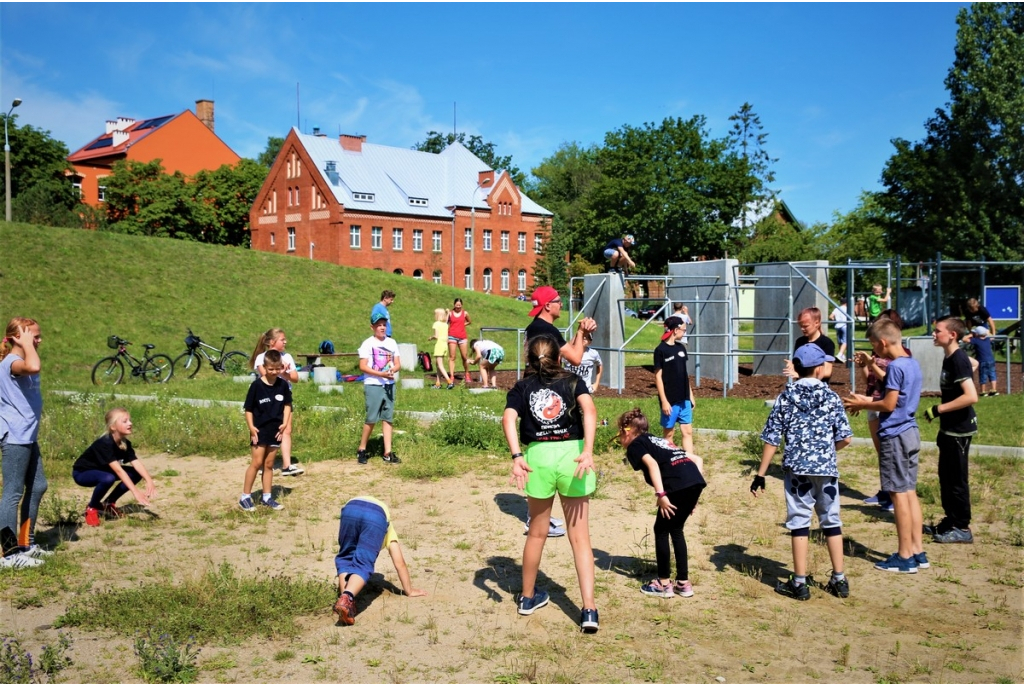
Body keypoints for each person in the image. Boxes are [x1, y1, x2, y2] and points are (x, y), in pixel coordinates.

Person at [503, 335, 600, 633]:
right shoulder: (572, 381)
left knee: (537, 533)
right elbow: (590, 410)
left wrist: (517, 455)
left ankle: (528, 598)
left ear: (529, 360)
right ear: (559, 357)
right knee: (580, 538)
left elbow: (508, 417)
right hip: (572, 458)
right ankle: (588, 610)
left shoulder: (522, 387)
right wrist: (587, 451)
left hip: (538, 460)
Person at [751, 345, 854, 600]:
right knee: (831, 520)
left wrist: (760, 474)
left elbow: (772, 439)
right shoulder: (832, 397)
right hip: (826, 469)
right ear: (820, 368)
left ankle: (799, 582)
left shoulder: (786, 398)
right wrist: (826, 453)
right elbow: (846, 438)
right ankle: (839, 579)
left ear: (795, 368)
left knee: (799, 521)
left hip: (797, 470)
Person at [843, 319, 926, 574]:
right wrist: (866, 399)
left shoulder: (896, 367)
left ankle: (904, 557)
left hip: (895, 435)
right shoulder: (911, 364)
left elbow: (888, 405)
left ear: (881, 342)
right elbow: (898, 401)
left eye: (873, 346)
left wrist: (863, 405)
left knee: (897, 494)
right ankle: (917, 551)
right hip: (911, 431)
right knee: (909, 492)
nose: (874, 352)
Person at [616, 408, 706, 599]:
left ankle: (663, 584)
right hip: (694, 481)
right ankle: (683, 583)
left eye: (619, 435)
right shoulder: (660, 440)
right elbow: (698, 460)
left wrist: (661, 494)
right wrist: (693, 498)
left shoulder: (636, 445)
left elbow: (653, 465)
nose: (620, 441)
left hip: (676, 486)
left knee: (661, 530)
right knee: (676, 530)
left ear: (627, 431)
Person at [922, 316, 979, 544]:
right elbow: (972, 364)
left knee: (957, 479)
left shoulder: (957, 359)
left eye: (938, 331)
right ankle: (951, 519)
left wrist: (938, 408)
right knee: (945, 477)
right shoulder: (953, 357)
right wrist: (970, 364)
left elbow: (971, 396)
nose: (934, 335)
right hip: (948, 428)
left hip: (960, 429)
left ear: (952, 335)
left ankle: (962, 528)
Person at [0, 318, 49, 569]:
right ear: (18, 338)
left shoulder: (19, 361)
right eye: (35, 337)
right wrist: (27, 344)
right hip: (15, 437)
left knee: (38, 485)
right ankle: (7, 554)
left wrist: (27, 342)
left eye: (38, 337)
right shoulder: (12, 363)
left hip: (27, 435)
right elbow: (33, 366)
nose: (39, 341)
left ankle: (25, 544)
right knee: (13, 493)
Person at [332, 495, 426, 625]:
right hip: (375, 515)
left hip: (351, 507)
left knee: (346, 558)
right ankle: (347, 598)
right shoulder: (388, 528)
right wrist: (409, 590)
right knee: (363, 563)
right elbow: (400, 563)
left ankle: (345, 602)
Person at [856, 309, 910, 512]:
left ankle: (893, 497)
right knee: (882, 453)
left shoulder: (902, 357)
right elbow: (869, 380)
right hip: (872, 400)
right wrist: (864, 366)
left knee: (890, 454)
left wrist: (872, 365)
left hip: (882, 405)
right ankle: (885, 491)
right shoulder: (877, 353)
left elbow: (889, 382)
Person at [72, 408, 156, 526]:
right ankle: (91, 507)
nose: (130, 423)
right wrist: (135, 492)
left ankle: (108, 504)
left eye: (129, 420)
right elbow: (119, 470)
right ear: (113, 427)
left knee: (135, 474)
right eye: (125, 421)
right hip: (83, 473)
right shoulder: (105, 443)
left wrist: (149, 480)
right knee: (108, 478)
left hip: (103, 470)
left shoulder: (125, 443)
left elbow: (135, 462)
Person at [240, 350, 292, 511]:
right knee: (256, 463)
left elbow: (287, 406)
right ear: (264, 367)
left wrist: (284, 424)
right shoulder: (256, 386)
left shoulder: (283, 385)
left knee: (269, 464)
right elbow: (248, 409)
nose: (274, 372)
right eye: (271, 369)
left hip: (276, 430)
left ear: (282, 367)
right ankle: (245, 497)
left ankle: (267, 497)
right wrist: (251, 428)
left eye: (277, 369)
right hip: (259, 430)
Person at [249, 328, 303, 476]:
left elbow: (295, 378)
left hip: (284, 396)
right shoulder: (261, 357)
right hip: (266, 397)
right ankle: (261, 464)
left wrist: (285, 372)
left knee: (286, 429)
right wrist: (279, 368)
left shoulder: (288, 357)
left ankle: (287, 465)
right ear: (272, 342)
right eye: (282, 339)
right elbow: (264, 373)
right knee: (266, 428)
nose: (285, 342)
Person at [357, 313, 401, 465]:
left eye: (384, 324)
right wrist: (380, 374)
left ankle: (387, 452)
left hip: (389, 384)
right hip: (373, 384)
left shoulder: (392, 343)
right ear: (372, 327)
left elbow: (397, 363)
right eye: (379, 325)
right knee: (371, 418)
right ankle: (362, 449)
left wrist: (391, 371)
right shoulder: (367, 344)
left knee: (387, 418)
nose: (382, 327)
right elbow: (362, 366)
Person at [524, 286, 597, 367]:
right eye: (558, 301)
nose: (561, 305)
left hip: (532, 378)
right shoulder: (547, 330)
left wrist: (580, 333)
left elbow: (565, 351)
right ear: (548, 305)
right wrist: (581, 332)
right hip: (544, 379)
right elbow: (576, 359)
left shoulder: (534, 327)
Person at [654, 316, 696, 453]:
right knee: (669, 434)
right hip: (670, 400)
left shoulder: (681, 348)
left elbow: (684, 375)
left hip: (684, 399)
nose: (684, 332)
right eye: (683, 330)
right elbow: (658, 377)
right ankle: (669, 462)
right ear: (675, 330)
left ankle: (689, 462)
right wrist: (664, 401)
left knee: (687, 431)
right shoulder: (660, 350)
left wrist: (691, 396)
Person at [783, 307, 835, 382]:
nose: (802, 329)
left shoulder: (826, 343)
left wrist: (801, 376)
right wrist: (792, 365)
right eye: (801, 326)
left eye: (805, 326)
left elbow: (827, 372)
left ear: (816, 323)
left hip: (819, 388)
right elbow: (798, 367)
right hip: (801, 386)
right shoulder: (800, 341)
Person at [446, 298, 473, 384]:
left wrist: (463, 324)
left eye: (459, 305)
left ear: (461, 305)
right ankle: (452, 376)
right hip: (452, 336)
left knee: (464, 357)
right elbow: (446, 324)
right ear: (454, 305)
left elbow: (469, 321)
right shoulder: (450, 313)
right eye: (456, 305)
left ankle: (467, 373)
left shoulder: (465, 313)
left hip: (462, 337)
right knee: (452, 357)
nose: (458, 307)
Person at [427, 308, 453, 390]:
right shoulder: (445, 324)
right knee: (438, 365)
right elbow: (446, 320)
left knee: (440, 365)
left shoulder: (436, 324)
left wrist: (431, 337)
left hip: (439, 345)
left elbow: (436, 336)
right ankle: (438, 383)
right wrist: (448, 313)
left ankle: (449, 382)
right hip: (445, 345)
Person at [969, 326, 998, 396]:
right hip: (991, 360)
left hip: (982, 361)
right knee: (993, 375)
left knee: (983, 375)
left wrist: (970, 334)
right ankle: (994, 389)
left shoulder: (976, 340)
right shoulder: (988, 339)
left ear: (977, 334)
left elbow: (964, 339)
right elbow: (992, 336)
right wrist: (987, 332)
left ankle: (983, 391)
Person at [829, 298, 852, 363]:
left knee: (840, 342)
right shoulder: (847, 309)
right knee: (845, 341)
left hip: (837, 326)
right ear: (847, 303)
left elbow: (830, 316)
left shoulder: (837, 308)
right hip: (845, 326)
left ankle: (842, 356)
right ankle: (840, 354)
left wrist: (835, 320)